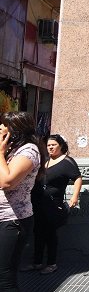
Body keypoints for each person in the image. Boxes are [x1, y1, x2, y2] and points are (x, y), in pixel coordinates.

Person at [0, 112, 45, 292]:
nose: (0, 128)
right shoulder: (9, 149)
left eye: (3, 125)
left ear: (15, 130)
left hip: (12, 221)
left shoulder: (29, 151)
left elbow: (7, 181)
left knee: (4, 278)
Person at [29, 134, 82, 274]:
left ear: (61, 146)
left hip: (53, 204)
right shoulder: (45, 160)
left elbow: (77, 178)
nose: (50, 147)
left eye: (53, 145)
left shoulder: (67, 161)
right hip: (37, 202)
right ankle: (37, 262)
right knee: (37, 232)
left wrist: (74, 197)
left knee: (50, 234)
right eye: (48, 145)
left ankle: (51, 263)